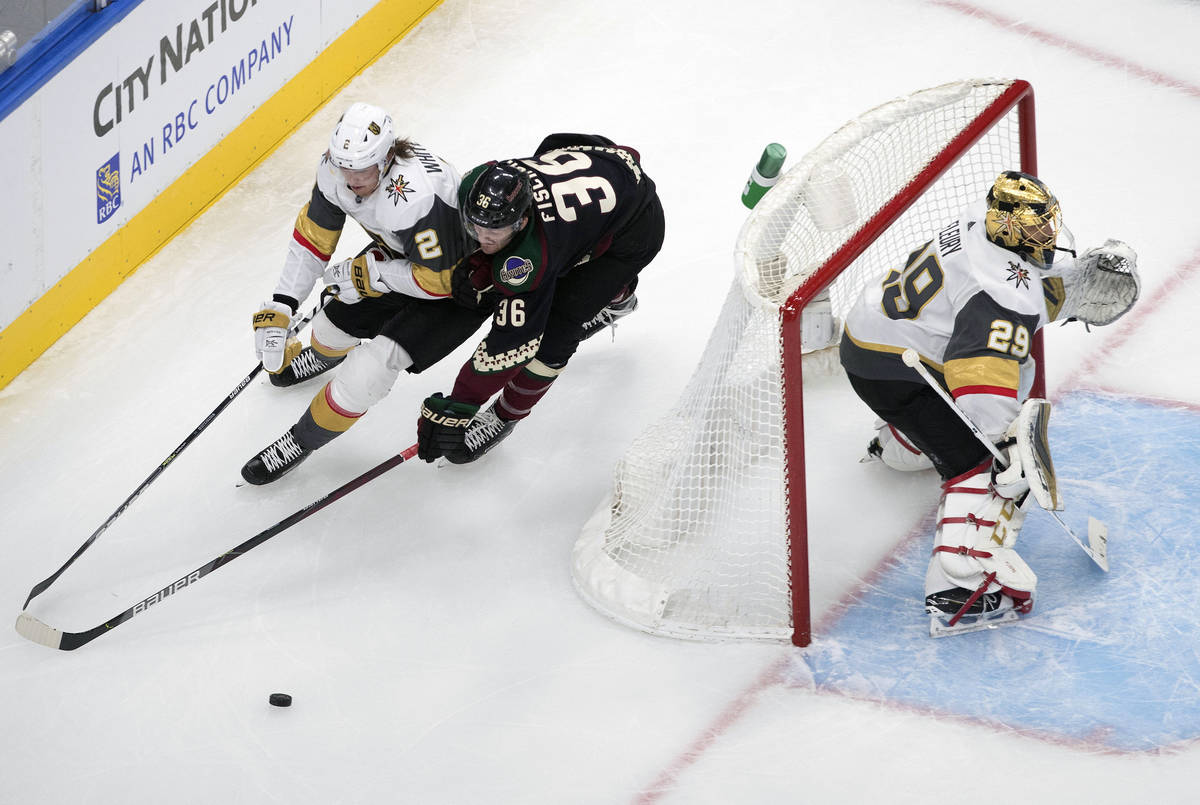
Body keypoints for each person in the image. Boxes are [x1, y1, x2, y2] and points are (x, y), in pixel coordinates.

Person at [838, 170, 1140, 635]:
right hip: (894, 369)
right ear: (1011, 228)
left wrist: (1070, 283)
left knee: (989, 395)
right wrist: (1006, 445)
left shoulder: (981, 222)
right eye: (1036, 228)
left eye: (1048, 222)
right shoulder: (999, 295)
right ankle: (959, 592)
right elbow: (979, 375)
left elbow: (1016, 286)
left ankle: (901, 444)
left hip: (878, 334)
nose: (1047, 234)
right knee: (988, 464)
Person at [242, 102, 488, 484]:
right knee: (328, 329)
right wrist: (283, 304)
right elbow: (313, 238)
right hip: (405, 260)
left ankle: (300, 440)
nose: (350, 180)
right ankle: (321, 357)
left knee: (365, 375)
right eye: (345, 168)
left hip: (461, 287)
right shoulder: (336, 166)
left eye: (361, 171)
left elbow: (440, 281)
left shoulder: (417, 196)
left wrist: (374, 274)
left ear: (388, 158)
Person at [414, 133, 665, 465]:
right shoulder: (478, 183)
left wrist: (462, 404)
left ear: (521, 221)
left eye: (495, 232)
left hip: (636, 226)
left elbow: (512, 345)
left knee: (558, 328)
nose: (483, 237)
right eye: (476, 228)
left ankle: (506, 416)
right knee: (553, 152)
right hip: (603, 162)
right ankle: (609, 289)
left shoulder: (528, 260)